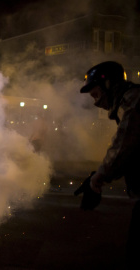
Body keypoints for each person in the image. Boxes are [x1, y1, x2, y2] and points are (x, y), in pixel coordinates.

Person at [79, 61, 140, 269]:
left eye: (96, 95)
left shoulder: (133, 101)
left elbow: (124, 144)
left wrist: (100, 176)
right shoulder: (129, 100)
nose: (96, 103)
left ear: (109, 85)